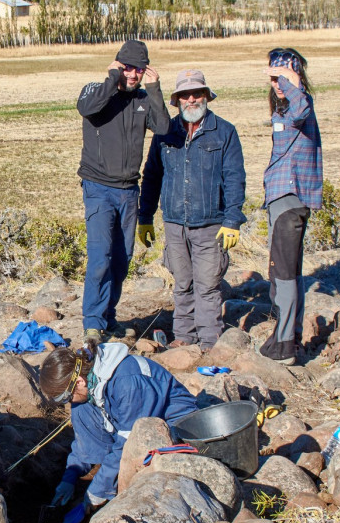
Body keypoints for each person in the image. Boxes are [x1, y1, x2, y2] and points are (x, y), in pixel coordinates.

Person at [138, 69, 245, 351]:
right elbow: (151, 177)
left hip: (211, 224)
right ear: (177, 101)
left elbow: (235, 177)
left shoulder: (225, 132)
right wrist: (145, 217)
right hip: (175, 223)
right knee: (182, 283)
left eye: (197, 94)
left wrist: (233, 219)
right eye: (185, 95)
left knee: (208, 286)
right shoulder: (165, 133)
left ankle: (210, 342)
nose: (192, 99)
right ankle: (184, 338)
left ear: (207, 96)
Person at [76, 40, 170, 343]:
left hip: (129, 190)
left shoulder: (143, 99)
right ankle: (92, 323)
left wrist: (155, 91)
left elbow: (164, 128)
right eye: (127, 68)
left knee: (121, 258)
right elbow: (86, 108)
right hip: (98, 188)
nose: (133, 75)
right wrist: (111, 79)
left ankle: (108, 318)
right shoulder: (96, 90)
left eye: (139, 70)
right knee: (100, 256)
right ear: (117, 65)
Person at [39, 342, 197, 511]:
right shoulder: (89, 385)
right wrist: (69, 478)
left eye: (65, 398)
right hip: (127, 422)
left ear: (78, 382)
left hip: (174, 424)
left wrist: (98, 490)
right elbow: (84, 441)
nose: (67, 403)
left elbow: (127, 443)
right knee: (80, 409)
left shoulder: (128, 382)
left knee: (143, 473)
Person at [260, 47, 322, 365]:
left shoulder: (299, 107)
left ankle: (284, 343)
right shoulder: (284, 111)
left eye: (282, 76)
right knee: (290, 274)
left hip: (290, 199)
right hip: (283, 199)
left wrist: (293, 82)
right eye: (273, 77)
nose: (277, 84)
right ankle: (289, 337)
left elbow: (301, 110)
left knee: (282, 275)